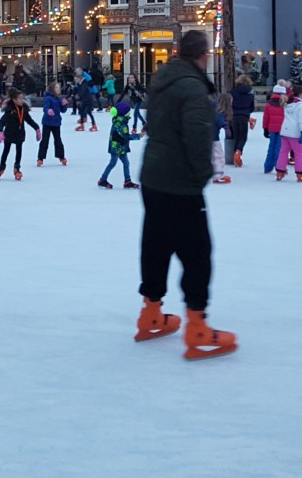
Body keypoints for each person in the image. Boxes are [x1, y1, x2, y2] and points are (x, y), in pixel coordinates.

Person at [134, 30, 237, 360]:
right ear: (203, 55)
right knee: (197, 252)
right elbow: (197, 137)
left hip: (152, 174)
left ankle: (151, 312)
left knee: (156, 243)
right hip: (179, 181)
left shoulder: (162, 80)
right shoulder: (192, 88)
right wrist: (202, 174)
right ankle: (197, 326)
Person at [0, 87, 40, 180]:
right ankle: (1, 168)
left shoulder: (23, 110)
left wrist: (37, 129)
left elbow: (29, 120)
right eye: (20, 99)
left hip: (20, 134)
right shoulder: (9, 110)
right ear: (14, 100)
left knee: (19, 152)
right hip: (9, 134)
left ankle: (17, 168)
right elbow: (1, 122)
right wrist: (0, 131)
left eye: (22, 98)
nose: (22, 100)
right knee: (5, 152)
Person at [99, 100, 142, 189]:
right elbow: (126, 136)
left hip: (121, 146)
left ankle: (127, 181)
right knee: (113, 163)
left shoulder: (122, 121)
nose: (130, 114)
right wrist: (139, 136)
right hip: (116, 147)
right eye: (128, 113)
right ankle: (103, 179)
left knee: (126, 163)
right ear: (124, 114)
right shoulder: (120, 124)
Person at [275, 84, 302, 182]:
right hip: (295, 133)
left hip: (285, 131)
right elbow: (301, 121)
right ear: (301, 94)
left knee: (283, 152)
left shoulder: (288, 104)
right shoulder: (301, 106)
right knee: (299, 153)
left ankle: (280, 172)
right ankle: (300, 173)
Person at [38, 81, 68, 166]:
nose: (58, 89)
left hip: (56, 123)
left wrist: (64, 105)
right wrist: (48, 111)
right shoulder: (48, 98)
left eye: (59, 88)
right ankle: (40, 157)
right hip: (47, 122)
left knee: (58, 140)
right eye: (56, 88)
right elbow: (45, 108)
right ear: (52, 89)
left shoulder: (59, 99)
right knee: (45, 140)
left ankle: (61, 156)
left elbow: (63, 111)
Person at [228, 74, 256, 166]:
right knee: (243, 137)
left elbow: (230, 103)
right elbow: (252, 107)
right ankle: (238, 152)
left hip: (234, 116)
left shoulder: (233, 91)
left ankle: (235, 155)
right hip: (244, 116)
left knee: (236, 136)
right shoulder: (250, 93)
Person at [262, 84, 286, 174]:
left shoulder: (269, 104)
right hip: (283, 129)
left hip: (271, 129)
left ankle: (268, 166)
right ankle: (278, 166)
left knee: (271, 147)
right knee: (279, 148)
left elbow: (266, 118)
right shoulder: (285, 104)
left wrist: (265, 129)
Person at [210, 92, 234, 184]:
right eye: (231, 102)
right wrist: (226, 127)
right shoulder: (221, 111)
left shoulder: (213, 107)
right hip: (213, 138)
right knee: (218, 156)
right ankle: (217, 176)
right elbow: (219, 120)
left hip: (206, 136)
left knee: (211, 156)